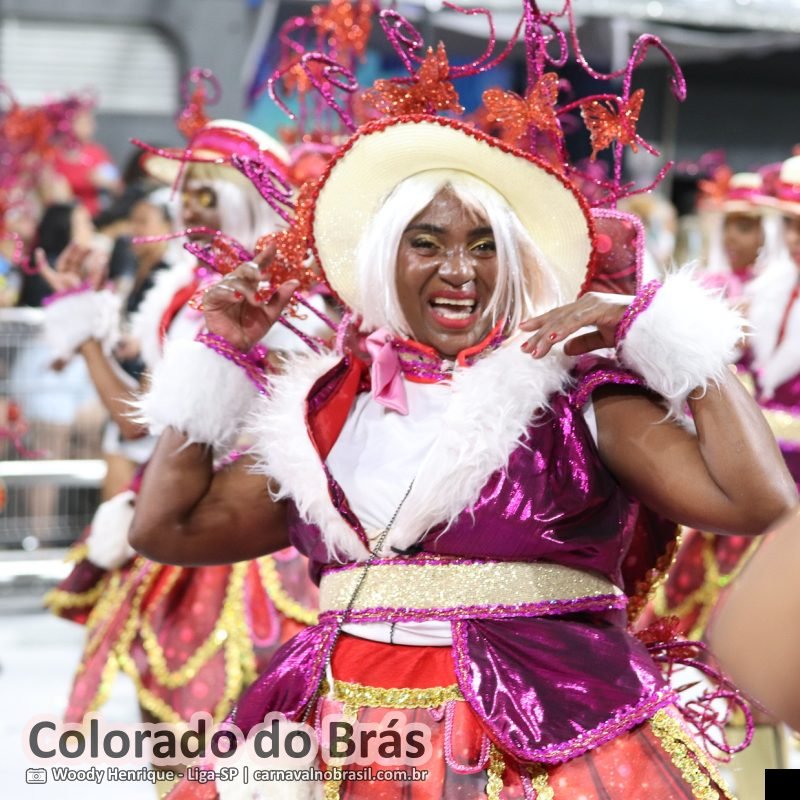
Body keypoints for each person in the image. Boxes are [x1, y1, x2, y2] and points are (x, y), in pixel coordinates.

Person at [131, 116, 796, 799]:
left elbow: (757, 501)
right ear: (384, 258)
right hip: (338, 740)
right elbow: (166, 529)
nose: (459, 271)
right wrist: (220, 356)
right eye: (426, 244)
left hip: (550, 739)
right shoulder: (320, 416)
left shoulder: (575, 401)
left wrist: (657, 330)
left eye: (484, 246)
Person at [41, 120, 321, 748]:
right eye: (186, 193)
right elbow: (142, 422)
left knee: (270, 753)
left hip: (260, 535)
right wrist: (86, 328)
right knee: (170, 733)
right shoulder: (184, 295)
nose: (191, 206)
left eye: (207, 191)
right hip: (174, 519)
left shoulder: (292, 298)